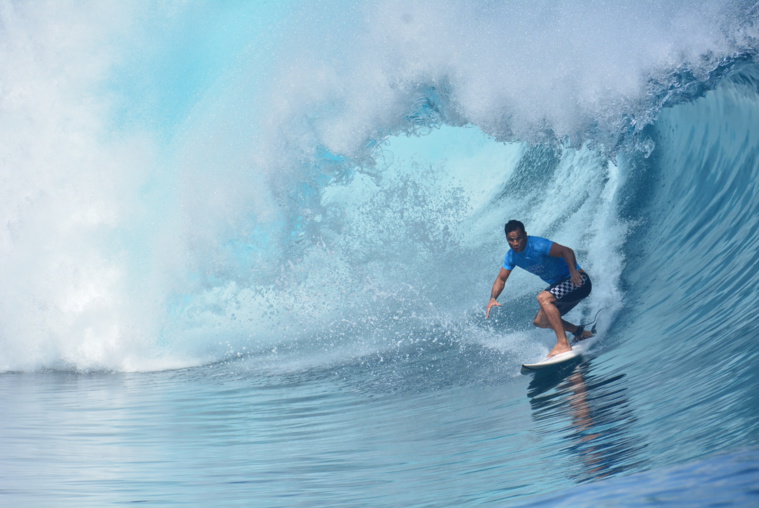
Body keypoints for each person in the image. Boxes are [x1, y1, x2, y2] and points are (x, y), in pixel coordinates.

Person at [486, 220, 593, 357]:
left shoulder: (537, 245)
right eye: (511, 240)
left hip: (579, 281)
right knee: (540, 321)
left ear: (525, 235)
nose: (515, 243)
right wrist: (493, 298)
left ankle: (563, 343)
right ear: (507, 239)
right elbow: (501, 279)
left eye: (519, 238)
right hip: (563, 289)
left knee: (543, 298)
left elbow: (566, 251)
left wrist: (573, 271)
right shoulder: (511, 256)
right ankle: (580, 332)